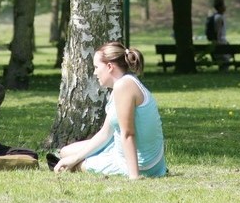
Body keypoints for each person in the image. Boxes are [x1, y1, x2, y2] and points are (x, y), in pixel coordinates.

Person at [52, 42, 167, 179]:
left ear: (109, 67)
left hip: (142, 165)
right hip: (137, 157)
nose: (95, 73)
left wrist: (134, 176)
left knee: (78, 165)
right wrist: (74, 158)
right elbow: (106, 133)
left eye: (96, 67)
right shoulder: (123, 84)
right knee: (66, 153)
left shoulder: (123, 86)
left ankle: (125, 169)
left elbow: (128, 134)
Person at [210, 0, 231, 71]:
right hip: (220, 42)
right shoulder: (219, 18)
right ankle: (223, 73)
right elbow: (218, 31)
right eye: (223, 5)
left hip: (220, 41)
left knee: (224, 59)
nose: (225, 7)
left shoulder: (217, 17)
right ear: (220, 7)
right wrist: (218, 41)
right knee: (224, 59)